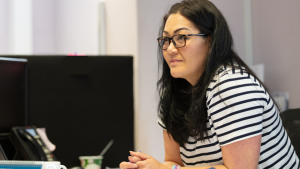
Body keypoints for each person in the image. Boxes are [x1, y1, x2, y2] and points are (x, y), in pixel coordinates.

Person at [120, 0, 300, 168]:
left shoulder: (233, 86)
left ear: (210, 40)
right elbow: (174, 162)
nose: (170, 48)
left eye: (181, 37)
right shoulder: (173, 91)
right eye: (166, 39)